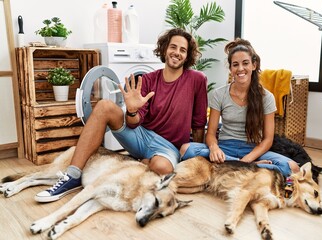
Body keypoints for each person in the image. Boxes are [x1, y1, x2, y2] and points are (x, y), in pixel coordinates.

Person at [35, 28, 208, 203]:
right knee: (104, 106)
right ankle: (72, 176)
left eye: (182, 50)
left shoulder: (197, 79)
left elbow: (199, 121)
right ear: (164, 49)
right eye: (173, 47)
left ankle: (143, 162)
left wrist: (196, 157)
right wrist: (131, 110)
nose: (177, 53)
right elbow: (133, 123)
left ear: (187, 56)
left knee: (161, 167)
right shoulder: (147, 80)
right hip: (142, 136)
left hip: (168, 147)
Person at [180, 38, 299, 177]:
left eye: (245, 63)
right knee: (185, 149)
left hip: (253, 150)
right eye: (235, 64)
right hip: (224, 148)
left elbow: (267, 140)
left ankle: (235, 166)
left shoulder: (267, 97)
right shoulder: (219, 94)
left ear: (254, 65)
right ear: (230, 69)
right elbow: (211, 133)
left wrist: (248, 159)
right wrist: (214, 148)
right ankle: (253, 168)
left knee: (293, 168)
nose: (240, 69)